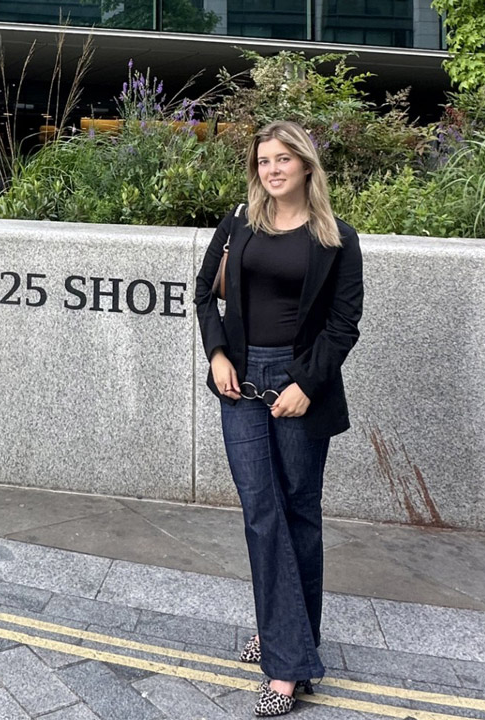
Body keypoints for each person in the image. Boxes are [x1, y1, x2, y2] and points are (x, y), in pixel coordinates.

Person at [194, 120, 363, 717]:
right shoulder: (238, 223)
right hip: (239, 382)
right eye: (264, 160)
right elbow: (202, 293)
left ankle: (285, 638)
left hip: (299, 385)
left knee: (299, 515)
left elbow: (345, 325)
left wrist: (306, 385)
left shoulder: (337, 237)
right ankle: (289, 665)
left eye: (283, 159)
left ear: (306, 167)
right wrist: (216, 355)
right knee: (262, 512)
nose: (272, 169)